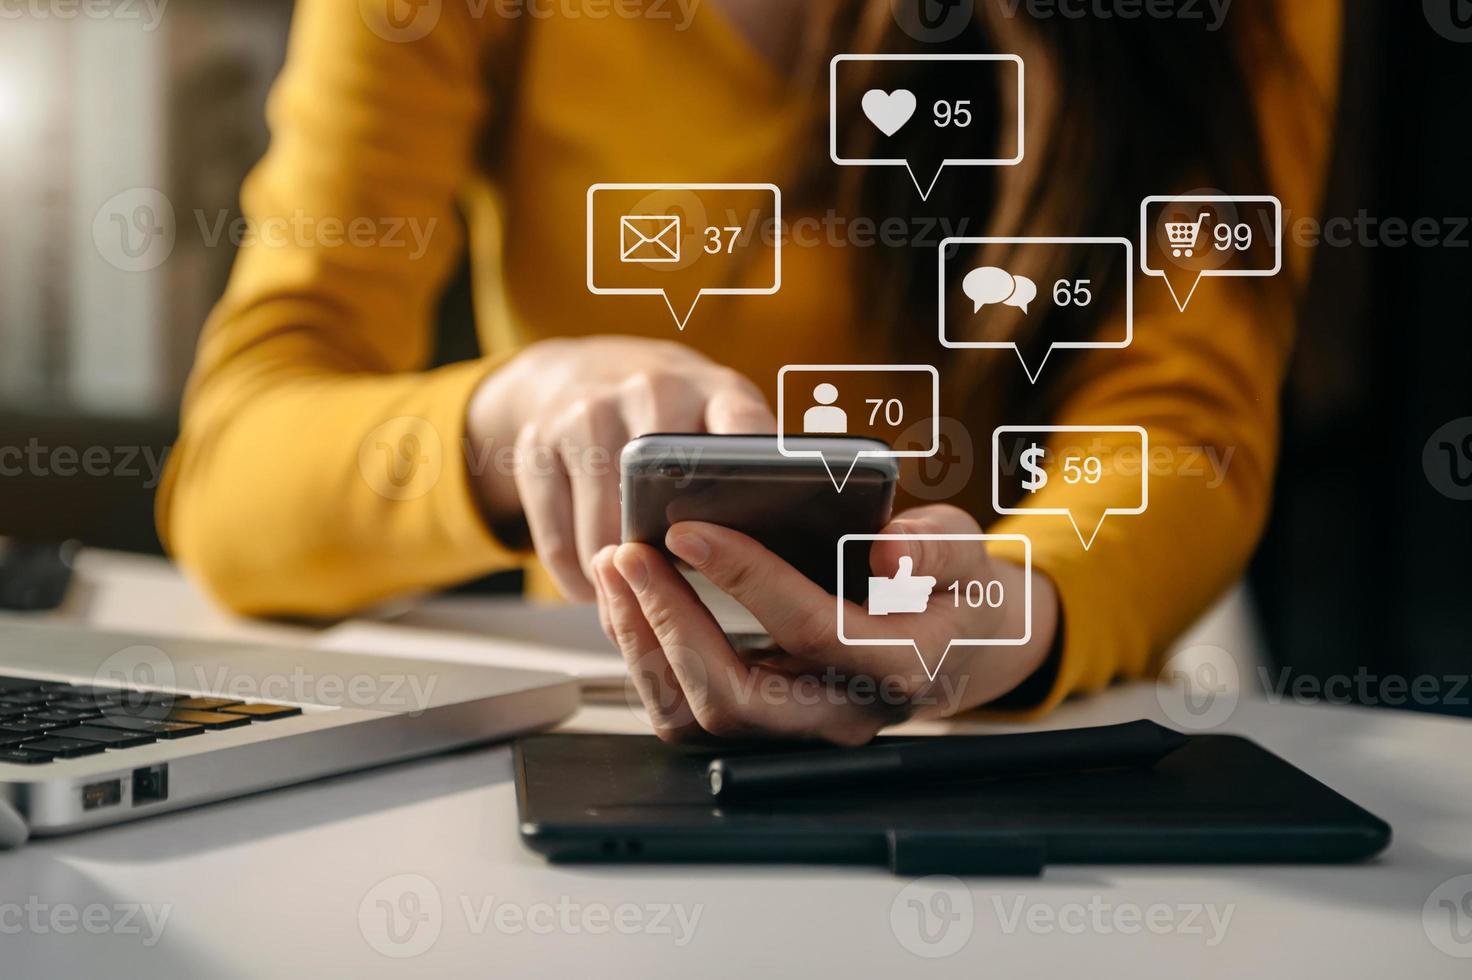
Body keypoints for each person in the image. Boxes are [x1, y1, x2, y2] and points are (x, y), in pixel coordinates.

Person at [158, 0, 1341, 744]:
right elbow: (237, 465)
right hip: (596, 725)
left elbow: (1184, 419)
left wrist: (1007, 606)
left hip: (988, 740)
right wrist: (507, 417)